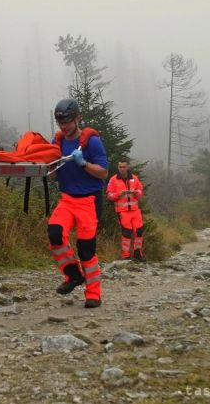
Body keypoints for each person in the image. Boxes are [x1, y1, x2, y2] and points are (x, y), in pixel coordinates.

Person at [47, 98, 108, 308]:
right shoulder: (58, 142)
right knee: (55, 233)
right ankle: (73, 275)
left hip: (89, 201)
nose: (64, 126)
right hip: (67, 199)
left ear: (78, 118)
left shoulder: (92, 142)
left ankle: (94, 294)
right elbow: (53, 177)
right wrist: (50, 171)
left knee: (86, 249)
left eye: (67, 122)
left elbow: (103, 172)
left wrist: (83, 164)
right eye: (60, 122)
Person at [106, 158, 145, 261]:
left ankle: (138, 254)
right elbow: (109, 195)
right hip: (122, 211)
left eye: (124, 167)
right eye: (120, 167)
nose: (122, 169)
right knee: (127, 233)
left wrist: (137, 193)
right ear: (118, 167)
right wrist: (119, 194)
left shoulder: (134, 178)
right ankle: (126, 256)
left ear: (128, 167)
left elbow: (141, 190)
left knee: (139, 231)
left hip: (135, 210)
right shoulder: (113, 179)